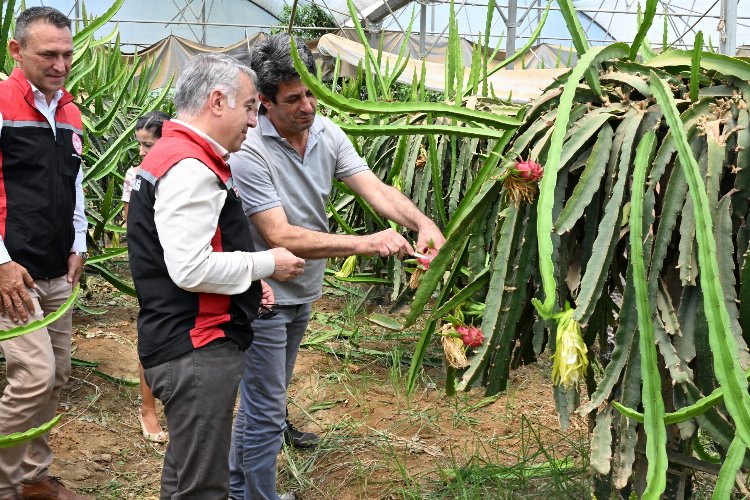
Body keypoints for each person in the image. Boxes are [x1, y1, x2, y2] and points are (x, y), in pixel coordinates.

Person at [228, 35, 446, 500]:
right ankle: (257, 496)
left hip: (302, 288)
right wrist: (367, 243)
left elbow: (376, 189)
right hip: (261, 294)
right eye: (293, 99)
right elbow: (280, 235)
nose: (308, 106)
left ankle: (237, 489)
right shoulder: (248, 151)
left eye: (311, 92)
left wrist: (421, 221)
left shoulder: (327, 133)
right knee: (267, 408)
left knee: (263, 401)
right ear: (264, 102)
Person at [127, 53, 305, 499]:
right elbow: (190, 268)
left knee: (189, 473)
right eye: (248, 106)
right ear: (217, 100)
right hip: (196, 345)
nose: (253, 119)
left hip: (184, 338)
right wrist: (268, 263)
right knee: (203, 486)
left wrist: (247, 279)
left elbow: (201, 247)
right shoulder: (189, 166)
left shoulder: (175, 153)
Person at [0, 7, 88, 500]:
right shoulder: (2, 101)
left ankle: (35, 474)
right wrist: (1, 263)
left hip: (58, 269)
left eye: (67, 54)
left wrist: (79, 241)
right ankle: (3, 483)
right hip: (14, 273)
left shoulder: (70, 110)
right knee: (33, 376)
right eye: (48, 54)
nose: (60, 64)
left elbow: (74, 184)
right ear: (17, 51)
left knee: (56, 373)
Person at [121, 110, 172, 444]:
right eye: (139, 144)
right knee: (152, 336)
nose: (141, 153)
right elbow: (132, 225)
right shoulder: (135, 175)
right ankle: (147, 409)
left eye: (148, 145)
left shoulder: (184, 169)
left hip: (184, 265)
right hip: (154, 267)